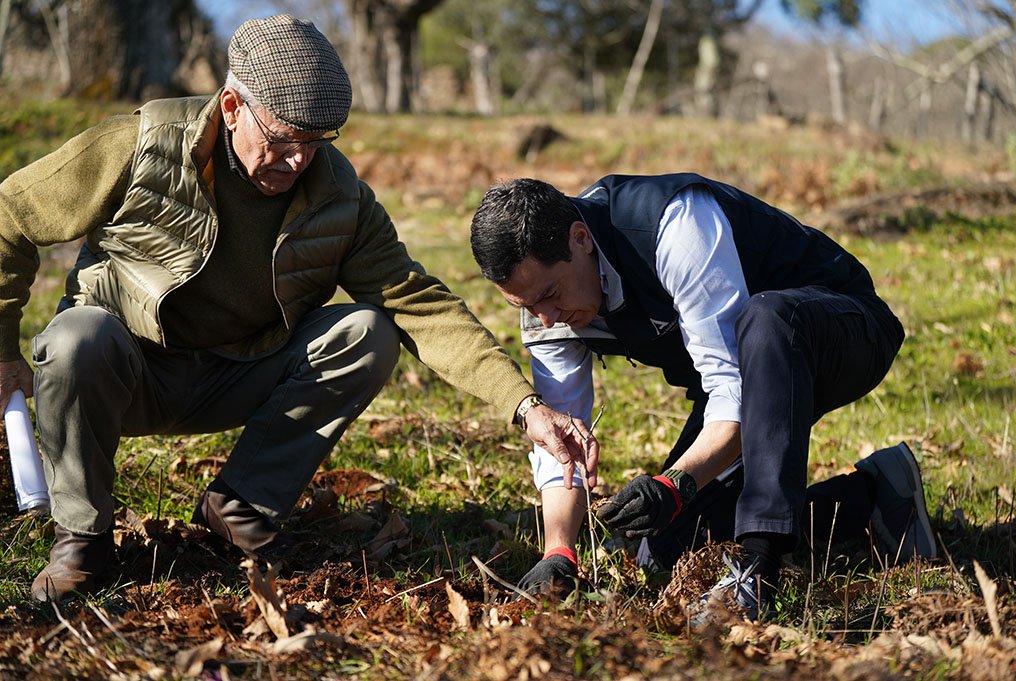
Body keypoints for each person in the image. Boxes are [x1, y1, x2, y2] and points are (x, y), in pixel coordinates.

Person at [0, 15, 594, 603]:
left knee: (367, 330)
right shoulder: (143, 143)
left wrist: (525, 405)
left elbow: (419, 304)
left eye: (316, 143)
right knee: (75, 338)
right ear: (232, 107)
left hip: (238, 372)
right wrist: (2, 351)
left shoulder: (341, 200)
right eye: (283, 141)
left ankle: (239, 505)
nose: (298, 162)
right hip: (123, 370)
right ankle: (82, 539)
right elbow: (11, 215)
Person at [469, 174, 936, 619]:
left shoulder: (675, 225)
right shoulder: (545, 304)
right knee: (666, 550)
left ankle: (758, 568)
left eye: (550, 295)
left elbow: (733, 389)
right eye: (527, 306)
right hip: (747, 379)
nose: (546, 318)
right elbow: (560, 441)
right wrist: (560, 550)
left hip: (840, 331)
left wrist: (676, 483)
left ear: (580, 238)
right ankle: (877, 494)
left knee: (767, 317)